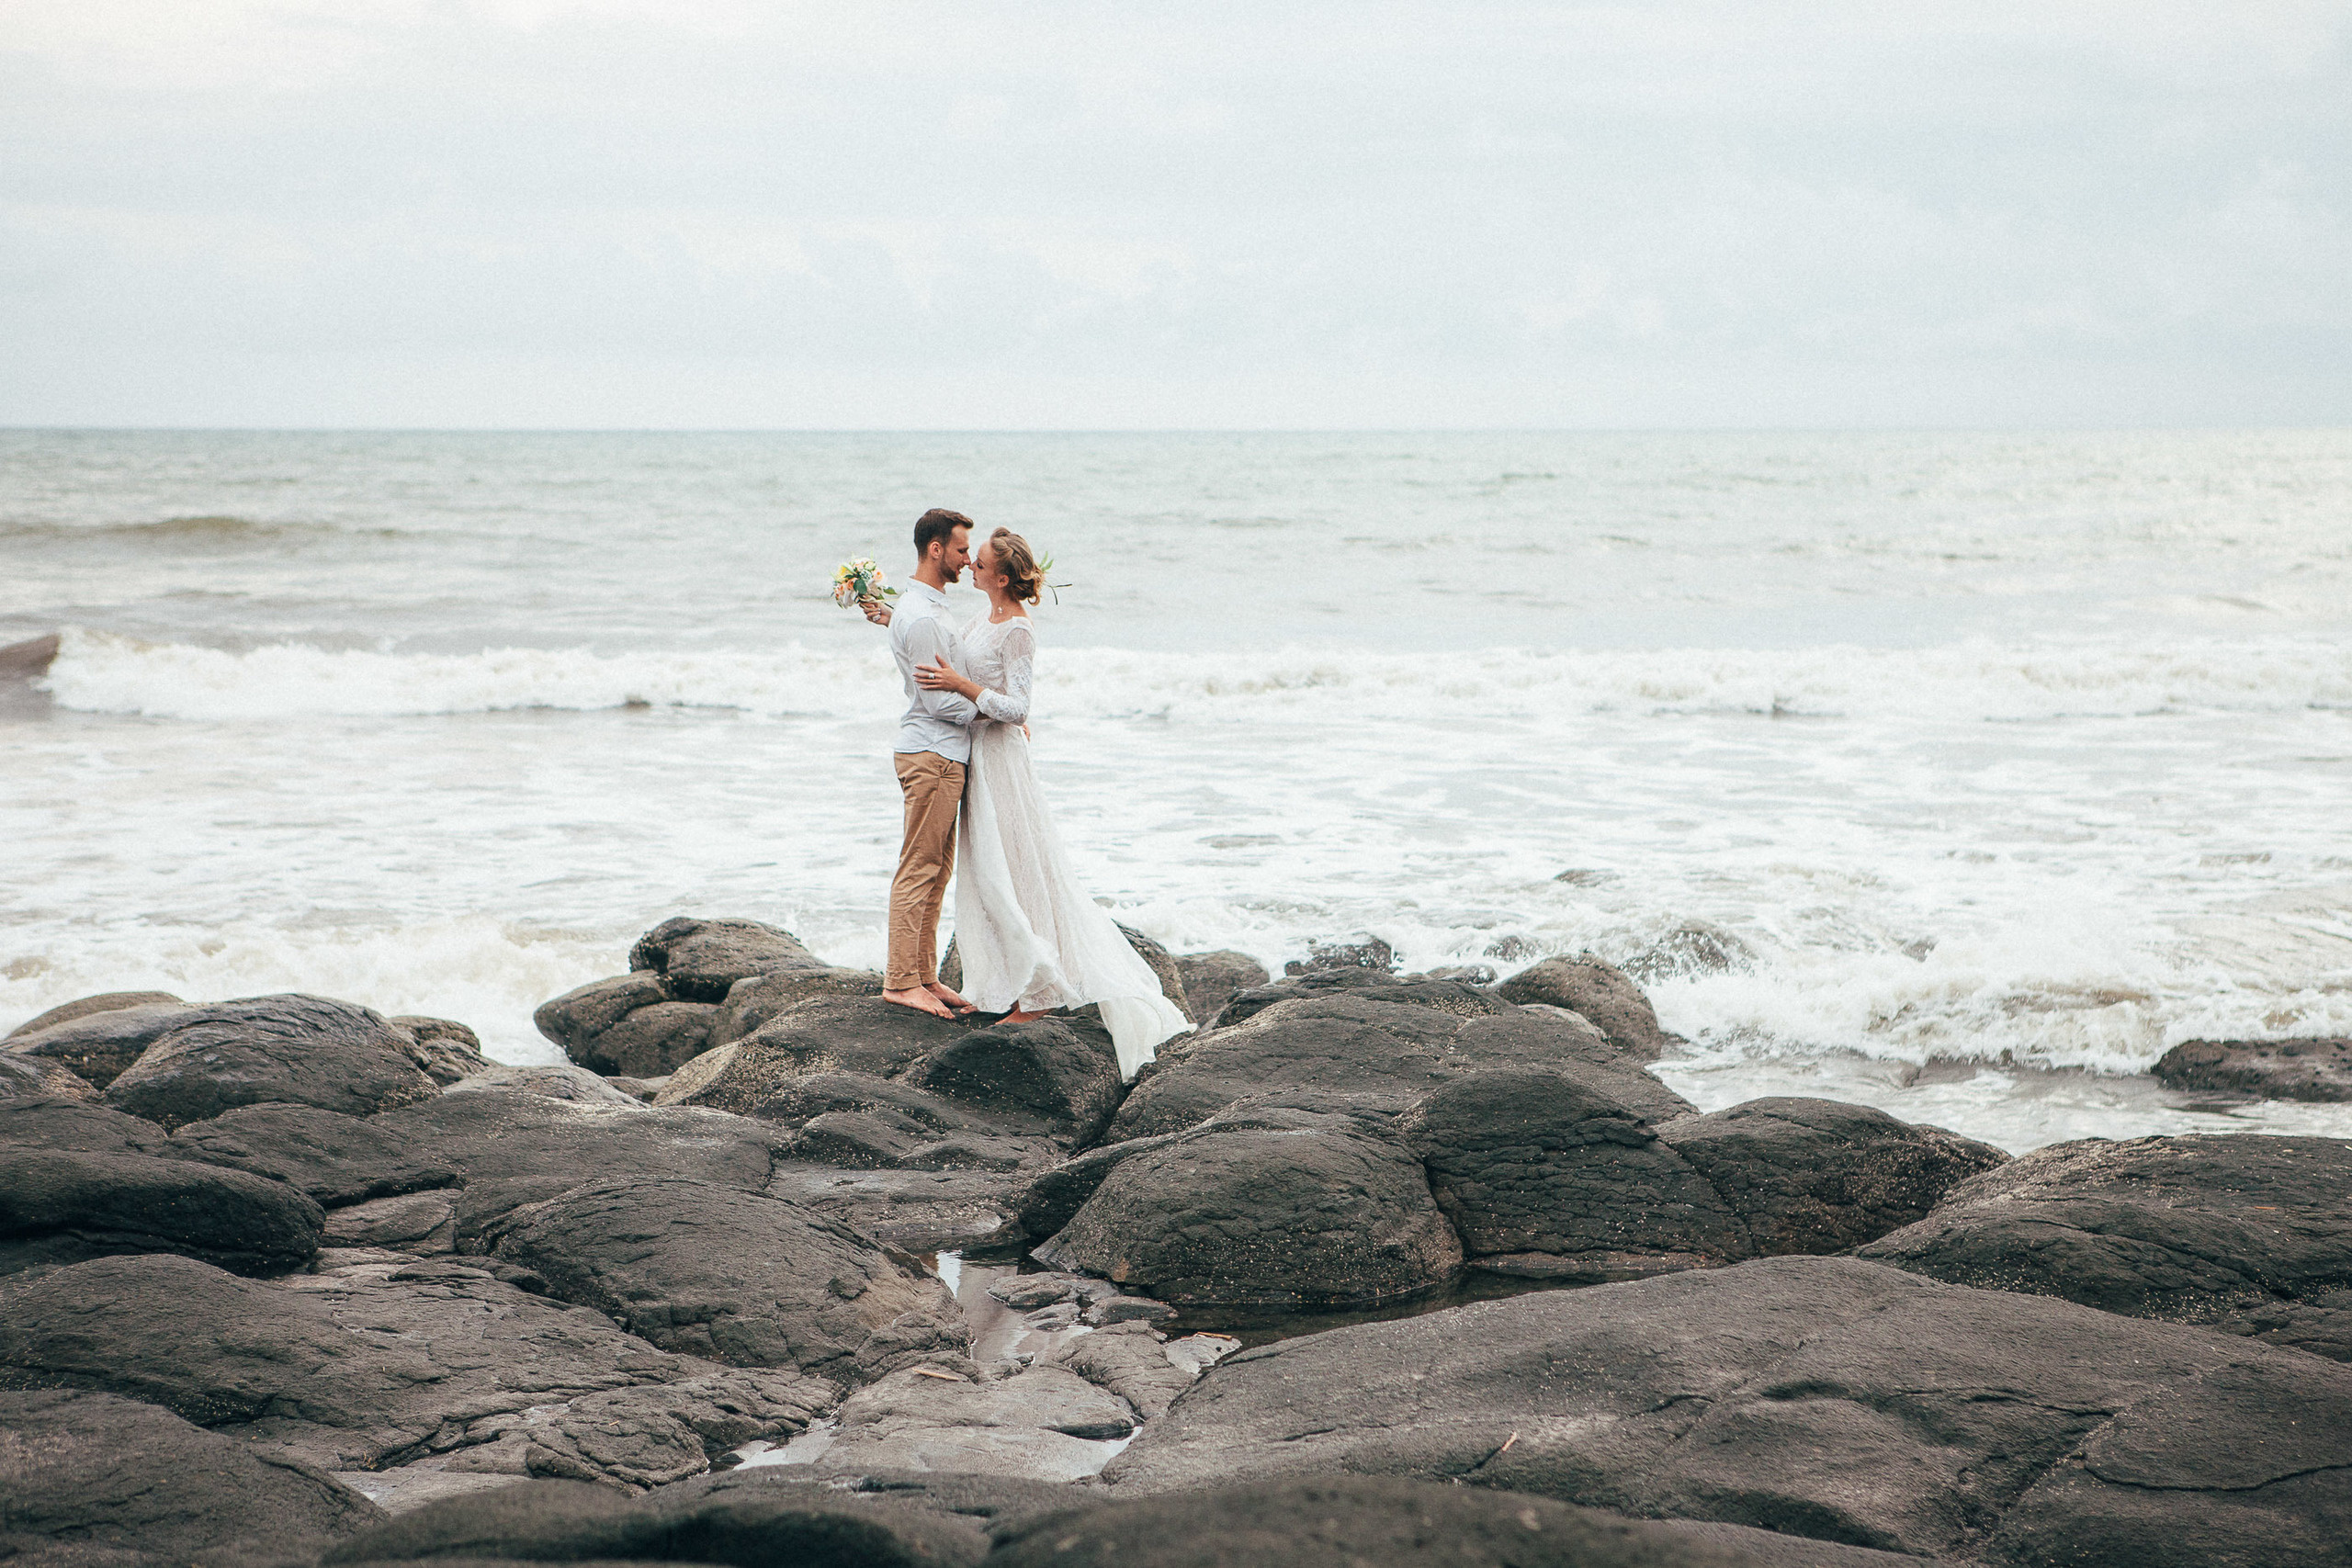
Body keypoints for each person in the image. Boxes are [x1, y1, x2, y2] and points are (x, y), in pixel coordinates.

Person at [910, 526, 1190, 1079]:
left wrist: (962, 688)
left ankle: (1037, 994)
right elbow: (957, 659)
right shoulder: (978, 620)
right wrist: (890, 616)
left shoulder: (1018, 630)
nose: (970, 566)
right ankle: (1001, 982)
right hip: (979, 758)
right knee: (987, 871)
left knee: (1016, 868)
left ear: (1003, 575)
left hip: (1003, 764)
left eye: (980, 561)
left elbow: (1018, 707)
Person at [878, 508, 982, 1019]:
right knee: (918, 868)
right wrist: (991, 708)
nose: (969, 559)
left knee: (938, 869)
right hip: (932, 751)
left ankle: (923, 975)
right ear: (936, 549)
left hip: (945, 752)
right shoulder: (920, 616)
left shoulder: (927, 607)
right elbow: (940, 702)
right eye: (962, 550)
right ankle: (900, 982)